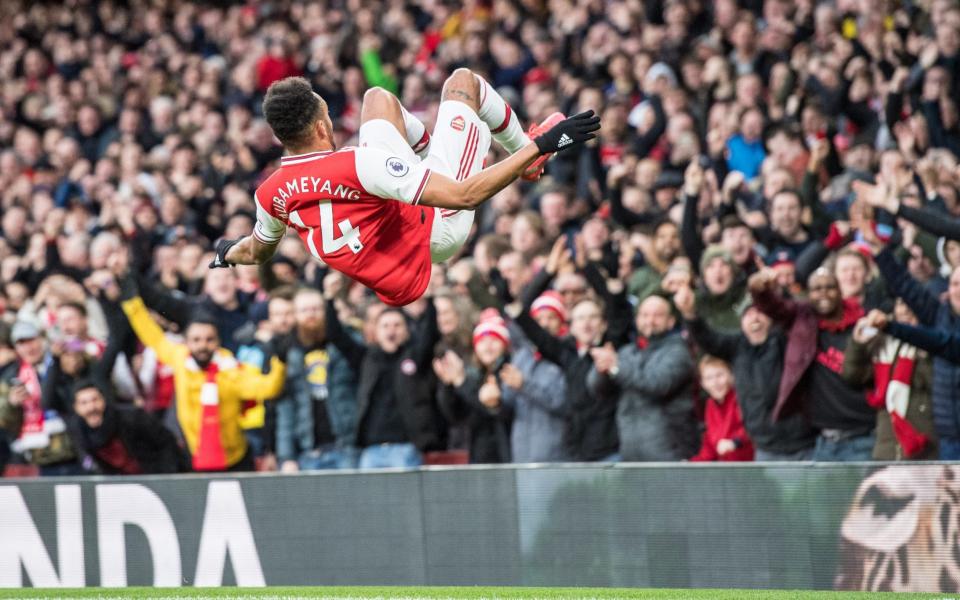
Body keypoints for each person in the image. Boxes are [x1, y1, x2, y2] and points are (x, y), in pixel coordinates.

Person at [209, 72, 600, 306]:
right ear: (321, 128)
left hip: (389, 226)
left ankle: (430, 158)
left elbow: (256, 250)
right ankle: (526, 158)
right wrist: (543, 145)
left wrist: (227, 253)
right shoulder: (356, 163)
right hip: (436, 231)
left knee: (376, 99)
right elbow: (465, 196)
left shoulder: (269, 193)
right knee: (464, 83)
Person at [118, 276, 286, 472]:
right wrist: (132, 302)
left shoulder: (230, 369)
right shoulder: (180, 358)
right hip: (193, 456)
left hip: (235, 459)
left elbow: (268, 388)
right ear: (187, 341)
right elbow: (152, 337)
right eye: (196, 340)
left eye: (209, 340)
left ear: (217, 342)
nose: (202, 346)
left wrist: (280, 360)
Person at [674, 285, 817, 462]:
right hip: (765, 446)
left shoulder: (787, 340)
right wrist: (690, 314)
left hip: (803, 444)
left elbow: (792, 315)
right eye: (748, 314)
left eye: (760, 312)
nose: (754, 318)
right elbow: (708, 338)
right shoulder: (737, 346)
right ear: (741, 321)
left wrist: (771, 287)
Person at [749, 267, 875, 462]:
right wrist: (759, 289)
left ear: (840, 291)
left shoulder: (862, 322)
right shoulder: (802, 318)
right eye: (816, 289)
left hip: (864, 437)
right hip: (825, 440)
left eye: (829, 287)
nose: (823, 293)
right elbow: (773, 307)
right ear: (808, 294)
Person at [588, 295, 699, 461]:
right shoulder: (627, 352)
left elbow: (658, 384)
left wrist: (616, 368)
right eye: (645, 315)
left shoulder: (678, 352)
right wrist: (601, 369)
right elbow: (596, 389)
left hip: (670, 451)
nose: (650, 320)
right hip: (630, 450)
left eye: (658, 315)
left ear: (670, 321)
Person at [275, 287, 359, 472]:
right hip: (308, 450)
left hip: (347, 445)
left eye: (316, 309)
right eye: (304, 310)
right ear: (295, 315)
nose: (311, 315)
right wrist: (286, 456)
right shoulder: (287, 353)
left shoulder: (346, 344)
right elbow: (286, 409)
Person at [842, 304, 938, 460]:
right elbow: (852, 376)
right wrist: (858, 343)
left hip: (925, 448)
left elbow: (936, 384)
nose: (906, 309)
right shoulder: (882, 341)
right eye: (900, 304)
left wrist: (923, 343)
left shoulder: (938, 341)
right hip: (886, 448)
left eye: (910, 305)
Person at [434, 313, 514, 464]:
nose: (488, 347)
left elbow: (495, 410)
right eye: (482, 341)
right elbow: (456, 415)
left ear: (505, 345)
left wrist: (460, 382)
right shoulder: (474, 375)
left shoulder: (510, 371)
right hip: (479, 456)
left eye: (494, 340)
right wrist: (447, 385)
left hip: (506, 457)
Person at [70, 379, 190, 475]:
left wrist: (165, 477)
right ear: (76, 408)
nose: (91, 407)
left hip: (162, 475)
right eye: (84, 403)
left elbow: (166, 441)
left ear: (104, 401)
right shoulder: (81, 432)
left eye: (95, 400)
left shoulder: (131, 417)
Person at [690, 356, 754, 462]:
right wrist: (690, 465)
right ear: (703, 384)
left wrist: (735, 442)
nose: (715, 383)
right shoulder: (710, 405)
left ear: (731, 375)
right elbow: (710, 446)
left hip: (750, 468)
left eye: (719, 375)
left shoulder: (742, 398)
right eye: (709, 378)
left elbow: (753, 428)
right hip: (727, 471)